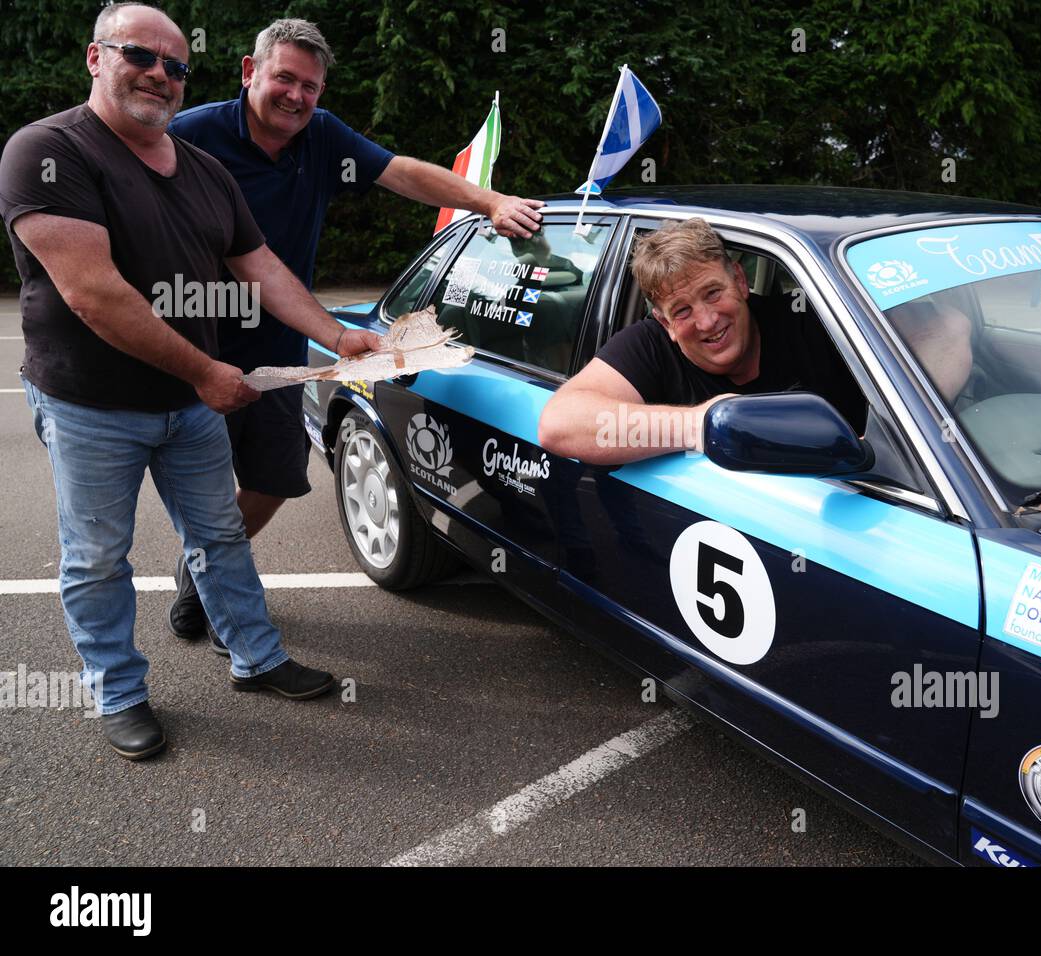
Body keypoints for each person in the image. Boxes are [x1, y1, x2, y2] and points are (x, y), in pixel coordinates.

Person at [0, 2, 386, 759]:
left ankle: (257, 658)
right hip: (91, 404)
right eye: (140, 56)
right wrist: (208, 371)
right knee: (98, 557)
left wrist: (339, 335)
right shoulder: (47, 151)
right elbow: (92, 293)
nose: (160, 76)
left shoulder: (203, 169)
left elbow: (262, 267)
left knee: (218, 537)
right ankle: (118, 694)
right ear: (94, 58)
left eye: (176, 66)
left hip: (188, 404)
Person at [165, 18, 545, 646]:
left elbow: (401, 172)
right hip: (194, 341)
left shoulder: (321, 137)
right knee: (197, 482)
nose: (296, 96)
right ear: (248, 71)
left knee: (275, 476)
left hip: (281, 342)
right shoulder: (192, 134)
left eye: (310, 86)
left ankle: (200, 559)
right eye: (284, 78)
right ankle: (209, 582)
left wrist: (491, 202)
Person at [538, 218, 869, 465]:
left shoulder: (813, 323)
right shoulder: (651, 345)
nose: (707, 321)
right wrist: (699, 424)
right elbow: (559, 424)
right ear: (664, 321)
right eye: (682, 311)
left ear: (740, 281)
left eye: (713, 293)